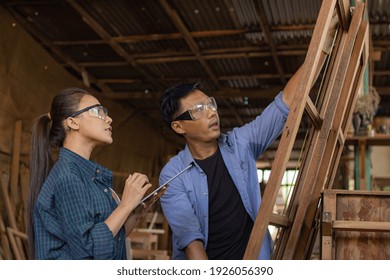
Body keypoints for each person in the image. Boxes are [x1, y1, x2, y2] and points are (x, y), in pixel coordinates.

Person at [158, 74, 298, 260]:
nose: (211, 112)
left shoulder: (240, 145)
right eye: (199, 109)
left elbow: (285, 102)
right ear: (178, 127)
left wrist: (321, 50)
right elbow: (191, 241)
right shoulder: (172, 174)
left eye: (210, 104)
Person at [28, 87, 153, 260]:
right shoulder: (68, 177)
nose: (109, 119)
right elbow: (88, 250)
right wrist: (124, 206)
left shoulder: (90, 176)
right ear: (72, 122)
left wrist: (134, 213)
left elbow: (110, 239)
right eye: (98, 112)